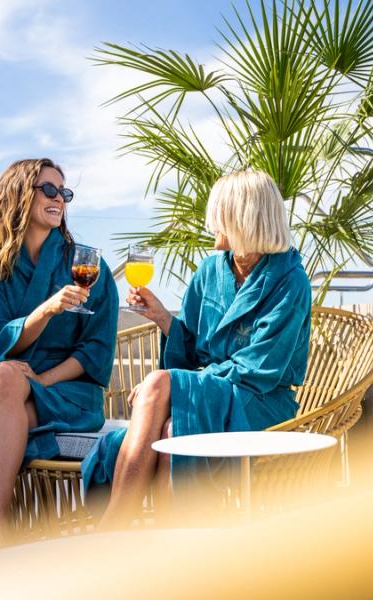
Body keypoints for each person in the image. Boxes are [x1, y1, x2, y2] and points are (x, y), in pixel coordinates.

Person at [82, 170, 312, 527]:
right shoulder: (209, 270)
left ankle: (110, 528)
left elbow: (259, 368)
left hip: (259, 403)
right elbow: (188, 349)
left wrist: (178, 381)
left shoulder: (290, 280)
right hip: (212, 389)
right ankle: (173, 544)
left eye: (219, 215)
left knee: (159, 383)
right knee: (173, 430)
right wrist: (161, 316)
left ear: (244, 219)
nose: (211, 224)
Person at [0, 158, 118, 558]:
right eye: (49, 190)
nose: (59, 199)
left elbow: (96, 351)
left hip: (69, 390)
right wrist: (47, 310)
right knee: (3, 378)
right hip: (6, 385)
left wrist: (42, 380)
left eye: (64, 193)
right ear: (19, 194)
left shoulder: (86, 264)